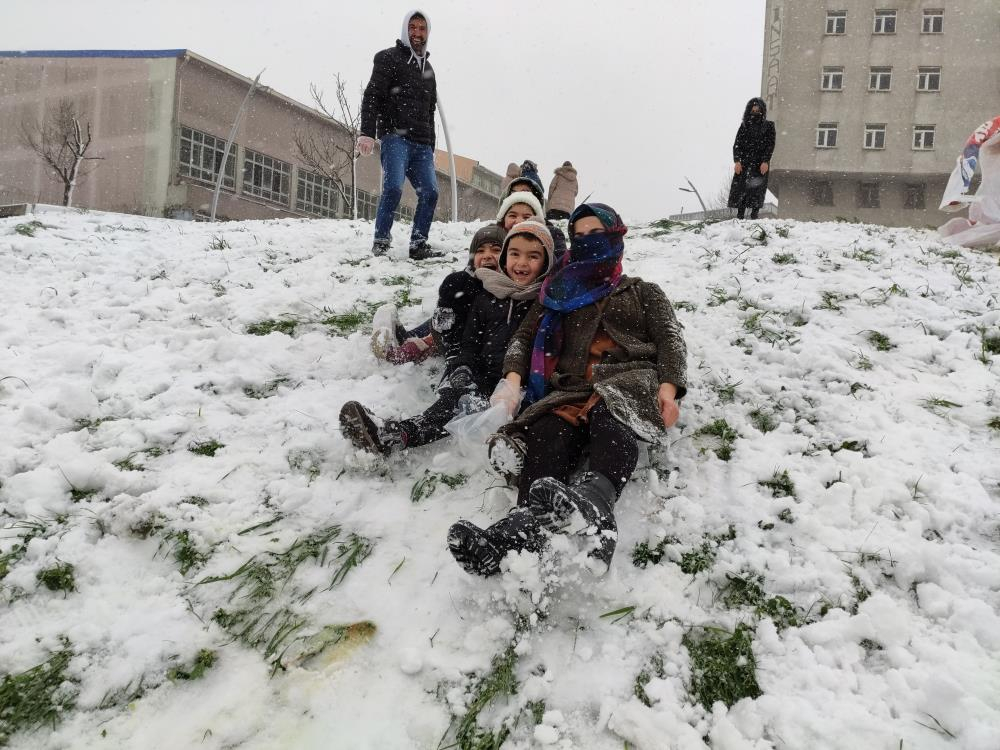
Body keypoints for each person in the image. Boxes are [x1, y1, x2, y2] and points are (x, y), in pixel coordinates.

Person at [447, 203, 687, 577]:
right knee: (547, 434)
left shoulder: (641, 292)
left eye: (597, 235)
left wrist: (669, 389)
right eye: (580, 237)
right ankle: (515, 531)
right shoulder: (556, 293)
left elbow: (671, 340)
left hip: (626, 381)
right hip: (570, 390)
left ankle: (596, 507)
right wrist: (511, 381)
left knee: (612, 418)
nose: (588, 243)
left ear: (615, 236)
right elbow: (523, 339)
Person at [341, 220, 555, 455]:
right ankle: (394, 436)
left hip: (519, 385)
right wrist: (463, 366)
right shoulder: (488, 296)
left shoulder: (544, 303)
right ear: (506, 257)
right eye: (514, 254)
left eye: (533, 257)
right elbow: (471, 341)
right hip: (482, 375)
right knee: (451, 403)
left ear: (547, 262)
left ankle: (512, 452)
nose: (522, 263)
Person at [370, 194, 547, 366]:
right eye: (513, 215)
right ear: (503, 218)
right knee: (454, 304)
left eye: (527, 216)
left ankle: (414, 342)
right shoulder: (475, 271)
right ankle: (403, 335)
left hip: (485, 339)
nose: (519, 220)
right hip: (460, 332)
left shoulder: (529, 264)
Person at [358, 10, 441, 260]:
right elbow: (372, 95)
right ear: (405, 30)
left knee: (430, 192)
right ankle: (381, 240)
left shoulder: (429, 70)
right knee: (393, 187)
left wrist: (431, 146)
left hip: (422, 144)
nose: (417, 33)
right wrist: (367, 132)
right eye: (412, 28)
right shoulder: (388, 58)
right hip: (396, 137)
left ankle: (418, 244)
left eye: (422, 28)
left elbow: (430, 110)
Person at [371, 225, 504, 365]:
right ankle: (406, 340)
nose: (487, 255)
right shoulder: (465, 282)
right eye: (480, 250)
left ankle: (414, 344)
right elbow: (443, 325)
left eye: (496, 250)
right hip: (457, 337)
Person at [727, 97, 776, 220]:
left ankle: (755, 216)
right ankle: (740, 216)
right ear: (749, 110)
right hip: (744, 163)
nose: (755, 112)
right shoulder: (744, 126)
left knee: (757, 190)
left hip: (760, 163)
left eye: (757, 109)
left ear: (762, 110)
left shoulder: (769, 126)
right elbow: (737, 144)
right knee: (742, 188)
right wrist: (737, 161)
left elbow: (770, 145)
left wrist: (765, 161)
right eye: (753, 109)